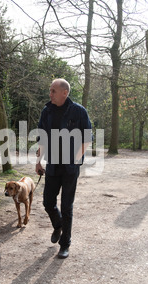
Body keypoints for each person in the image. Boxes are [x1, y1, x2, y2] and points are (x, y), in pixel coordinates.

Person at [35, 79, 92, 259]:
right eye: (50, 90)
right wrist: (38, 161)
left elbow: (87, 138)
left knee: (67, 206)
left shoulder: (79, 111)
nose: (50, 94)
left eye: (53, 91)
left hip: (70, 167)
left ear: (64, 93)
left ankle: (65, 244)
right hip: (52, 164)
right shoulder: (47, 111)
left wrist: (76, 160)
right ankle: (58, 225)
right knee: (47, 202)